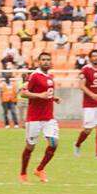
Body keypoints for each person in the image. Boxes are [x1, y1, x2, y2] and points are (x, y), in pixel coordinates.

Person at [18, 52, 61, 183]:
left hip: (48, 117)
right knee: (30, 147)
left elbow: (46, 94)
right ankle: (23, 173)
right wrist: (39, 96)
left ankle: (40, 169)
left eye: (48, 59)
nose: (46, 62)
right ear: (39, 62)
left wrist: (53, 98)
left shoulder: (50, 76)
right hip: (34, 118)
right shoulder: (35, 76)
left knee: (54, 143)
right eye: (43, 60)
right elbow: (23, 93)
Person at [73, 49, 97, 158]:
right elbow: (81, 86)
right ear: (90, 58)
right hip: (89, 104)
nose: (96, 58)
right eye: (93, 56)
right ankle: (77, 144)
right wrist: (92, 95)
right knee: (88, 129)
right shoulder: (85, 69)